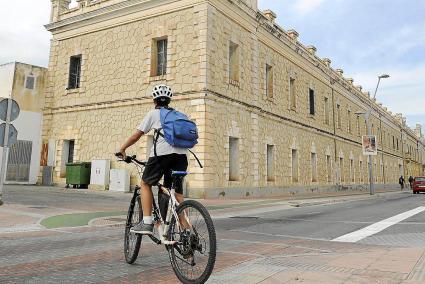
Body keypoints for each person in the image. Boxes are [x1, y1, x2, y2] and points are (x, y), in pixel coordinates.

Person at [117, 85, 188, 235]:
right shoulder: (180, 114)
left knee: (145, 183)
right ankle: (188, 233)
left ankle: (147, 222)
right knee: (176, 194)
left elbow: (136, 136)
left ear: (154, 100)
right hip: (181, 156)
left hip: (162, 156)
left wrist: (122, 149)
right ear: (169, 100)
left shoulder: (154, 114)